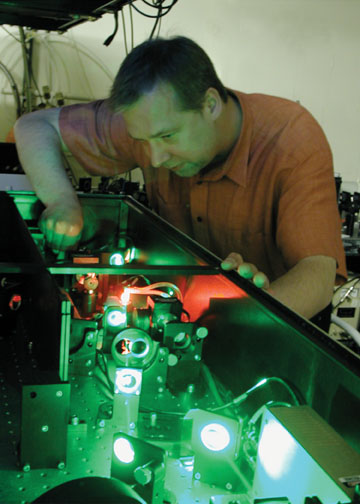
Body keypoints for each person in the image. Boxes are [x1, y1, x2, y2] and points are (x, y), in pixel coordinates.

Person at [14, 36, 346, 324]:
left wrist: (249, 319)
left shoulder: (292, 139)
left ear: (211, 105)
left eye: (168, 136)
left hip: (269, 337)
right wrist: (62, 201)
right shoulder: (149, 123)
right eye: (143, 142)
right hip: (178, 318)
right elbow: (32, 128)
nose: (155, 158)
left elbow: (317, 276)